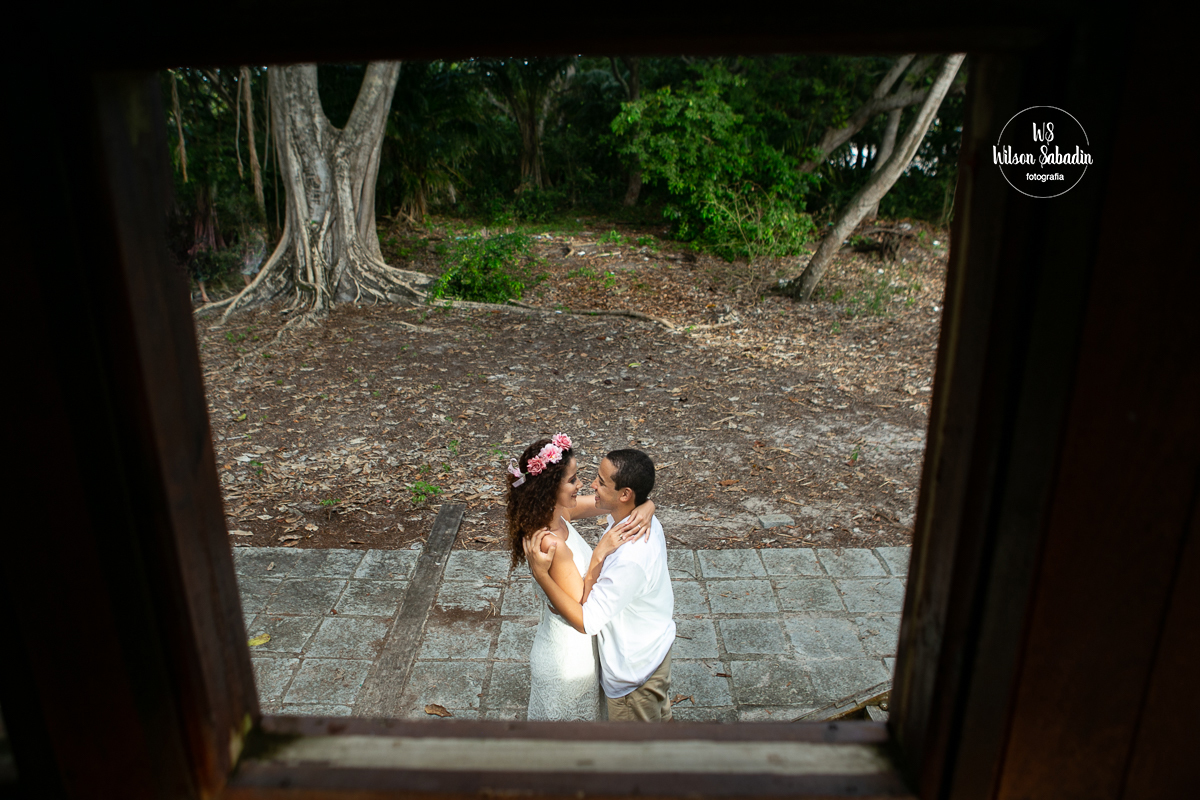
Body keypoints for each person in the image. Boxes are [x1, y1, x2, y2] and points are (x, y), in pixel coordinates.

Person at [506, 434, 655, 721]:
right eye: (573, 480)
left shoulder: (558, 513)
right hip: (569, 660)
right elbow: (583, 606)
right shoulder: (551, 544)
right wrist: (600, 553)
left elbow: (616, 501)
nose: (581, 485)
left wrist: (647, 505)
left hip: (570, 646)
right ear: (551, 488)